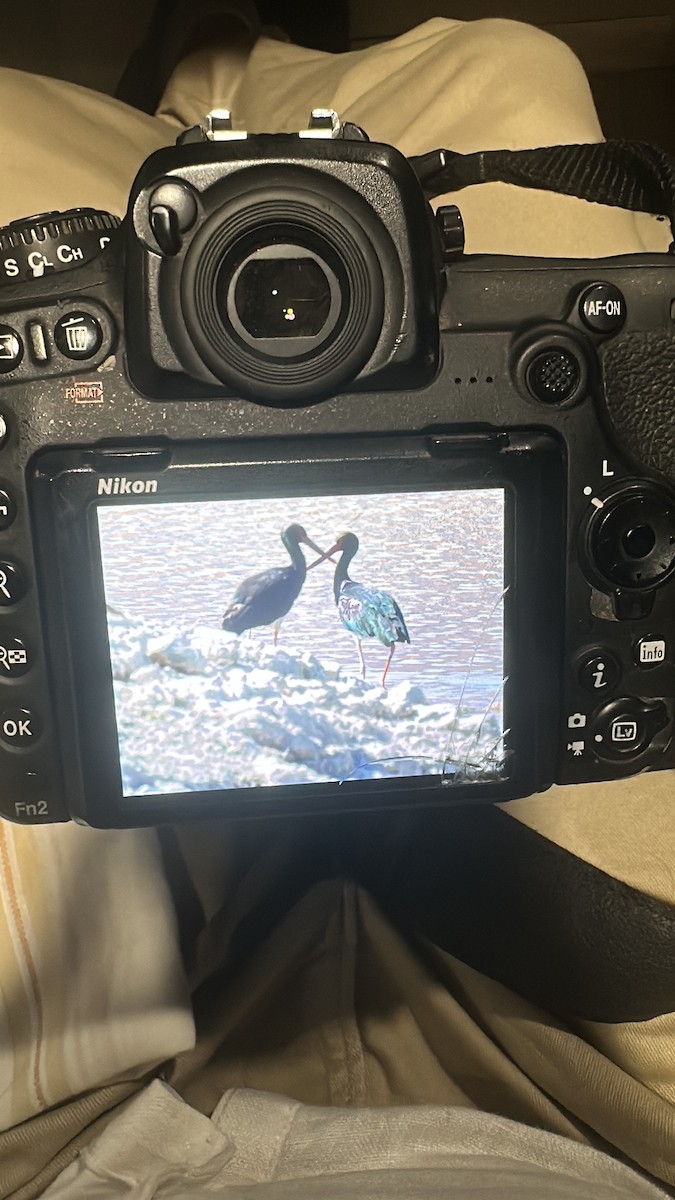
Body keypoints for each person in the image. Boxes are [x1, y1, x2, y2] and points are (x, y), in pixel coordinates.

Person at [0, 13, 674, 1198]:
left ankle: (205, 72)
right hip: (595, 1105)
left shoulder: (324, 591)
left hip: (92, 1124)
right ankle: (238, 62)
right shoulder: (290, 585)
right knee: (515, 73)